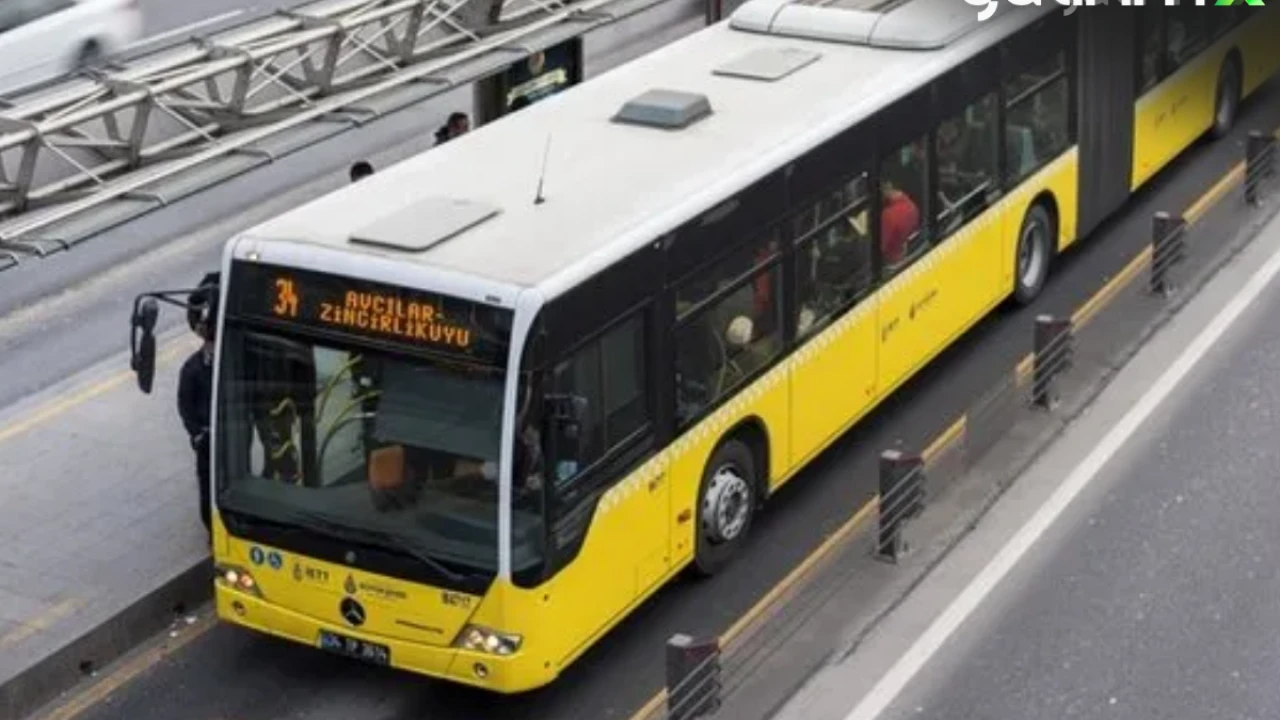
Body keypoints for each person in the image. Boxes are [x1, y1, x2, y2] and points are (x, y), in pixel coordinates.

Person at [177, 274, 218, 534]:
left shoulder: (234, 362)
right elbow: (185, 405)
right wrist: (197, 434)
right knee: (207, 482)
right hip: (207, 437)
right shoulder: (192, 368)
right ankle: (212, 528)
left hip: (232, 433)